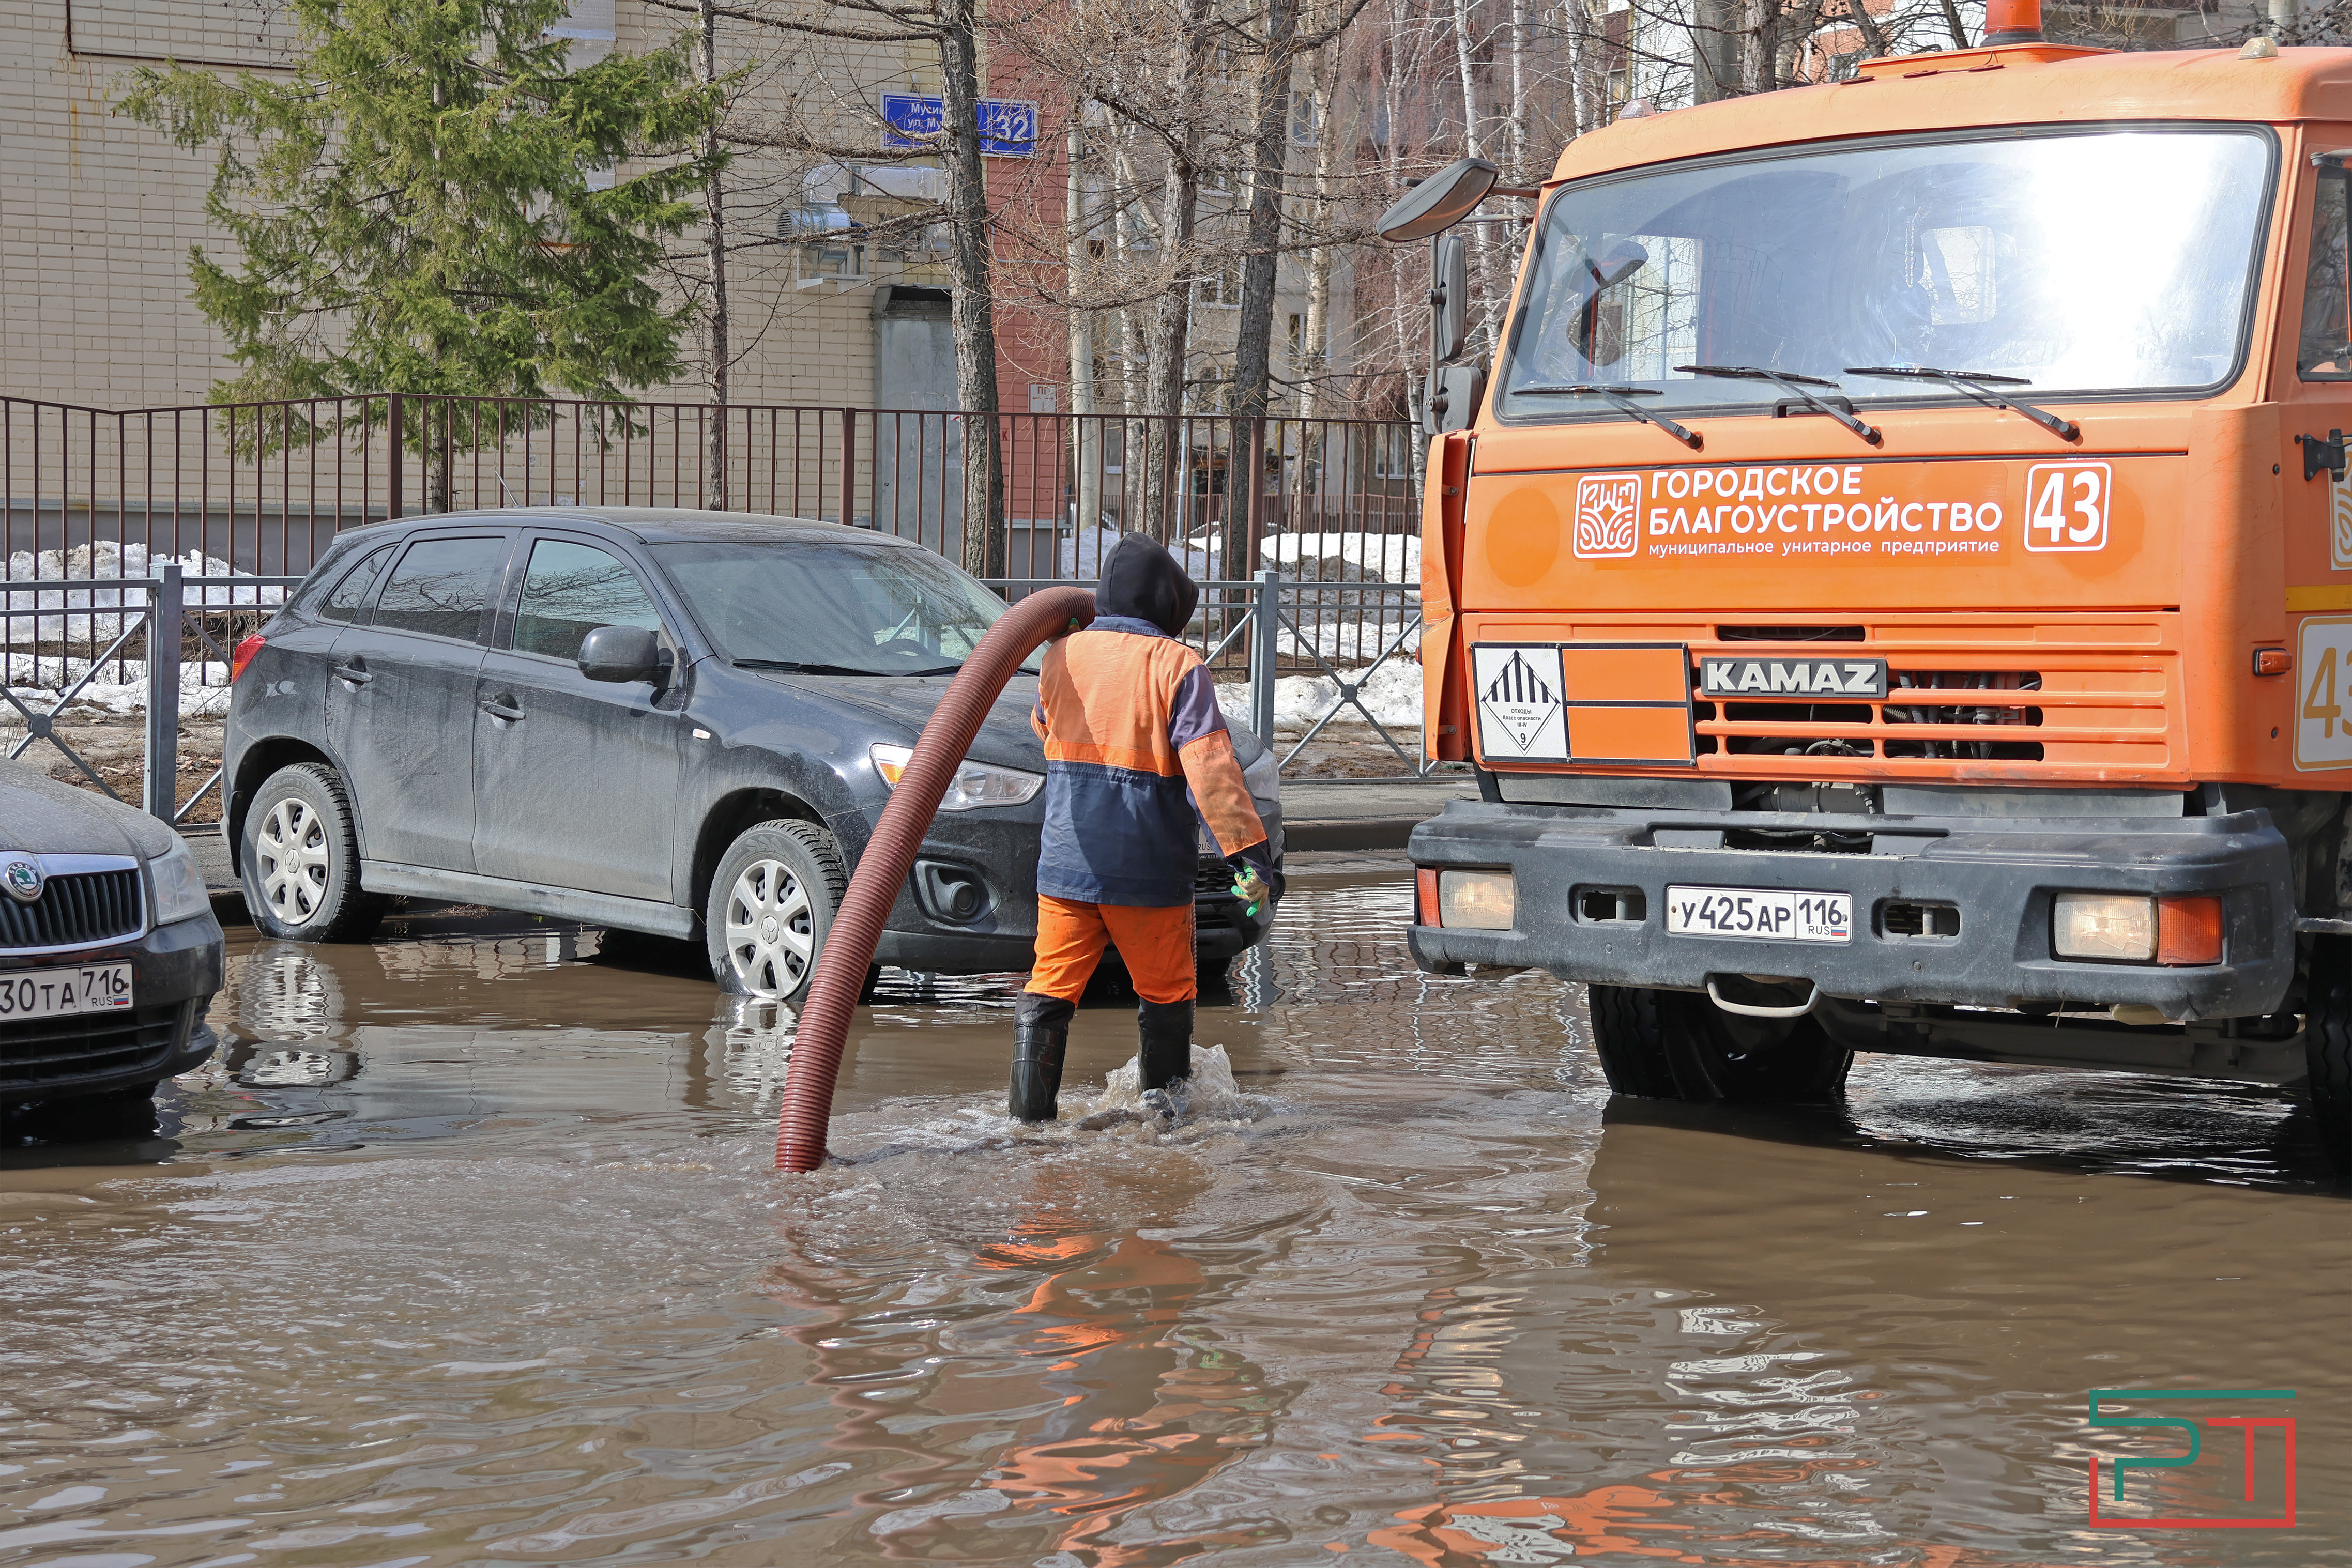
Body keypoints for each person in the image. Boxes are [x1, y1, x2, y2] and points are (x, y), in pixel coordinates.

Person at [1011, 534, 1280, 1121]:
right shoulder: (1176, 665)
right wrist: (1251, 856)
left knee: (1049, 990)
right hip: (1149, 872)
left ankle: (1027, 1124)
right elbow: (1210, 770)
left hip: (1066, 865)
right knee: (1165, 992)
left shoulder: (1060, 656)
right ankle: (1164, 1126)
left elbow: (1043, 727)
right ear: (1167, 606)